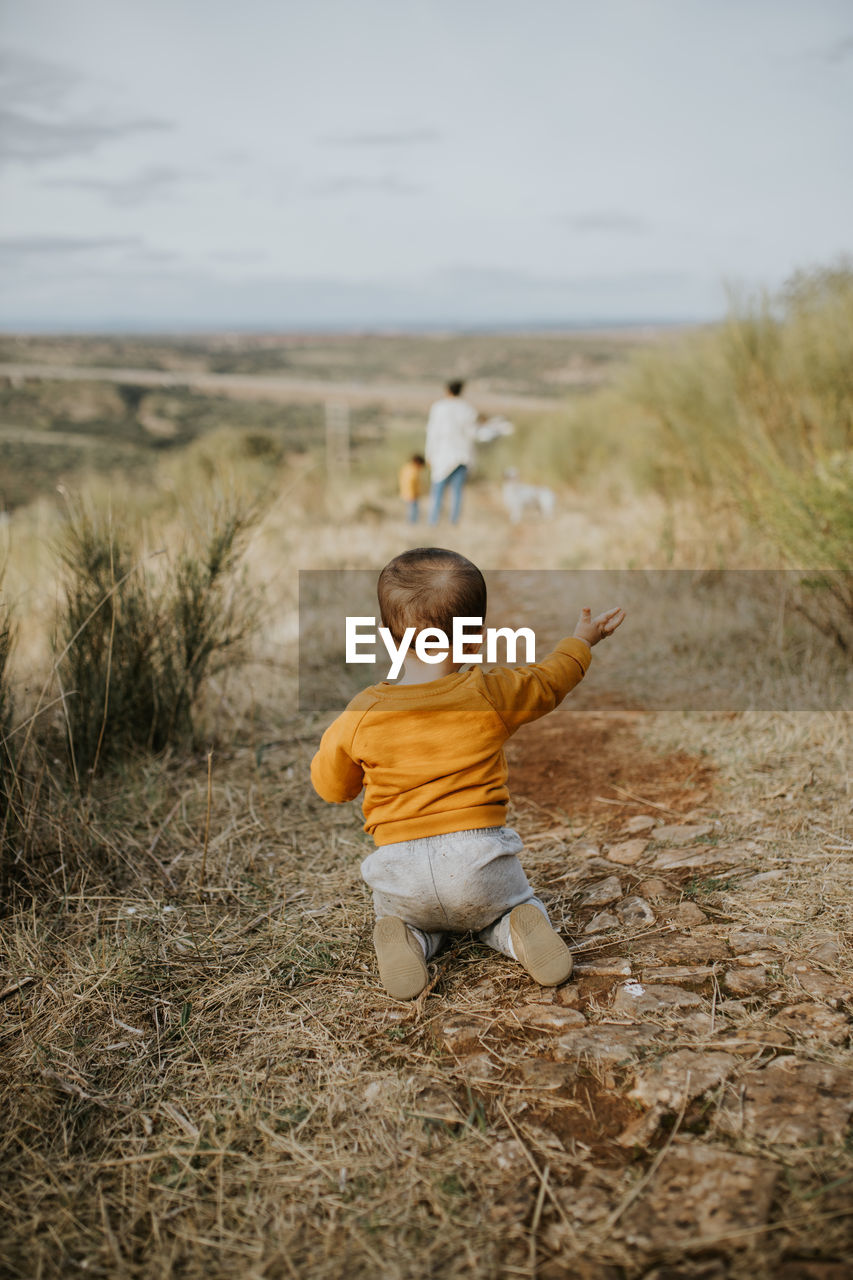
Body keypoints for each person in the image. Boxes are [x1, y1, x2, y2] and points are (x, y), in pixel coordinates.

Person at [310, 547, 625, 1000]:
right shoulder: (488, 693)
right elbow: (548, 680)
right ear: (476, 638)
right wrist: (582, 641)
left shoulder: (362, 714)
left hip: (401, 872)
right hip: (480, 864)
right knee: (500, 912)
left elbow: (332, 787)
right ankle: (517, 928)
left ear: (386, 637)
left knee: (410, 917)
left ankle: (409, 938)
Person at [424, 380, 478, 524]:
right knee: (457, 492)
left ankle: (433, 521)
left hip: (442, 455)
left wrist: (429, 454)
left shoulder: (438, 407)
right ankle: (453, 522)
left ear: (447, 390)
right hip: (462, 455)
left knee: (438, 491)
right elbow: (472, 433)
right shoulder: (467, 409)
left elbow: (432, 433)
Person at [398, 454, 426, 523]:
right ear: (417, 463)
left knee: (410, 509)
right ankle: (412, 523)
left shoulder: (406, 468)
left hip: (406, 493)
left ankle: (411, 522)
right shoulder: (412, 471)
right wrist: (412, 494)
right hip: (411, 494)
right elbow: (410, 483)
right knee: (413, 510)